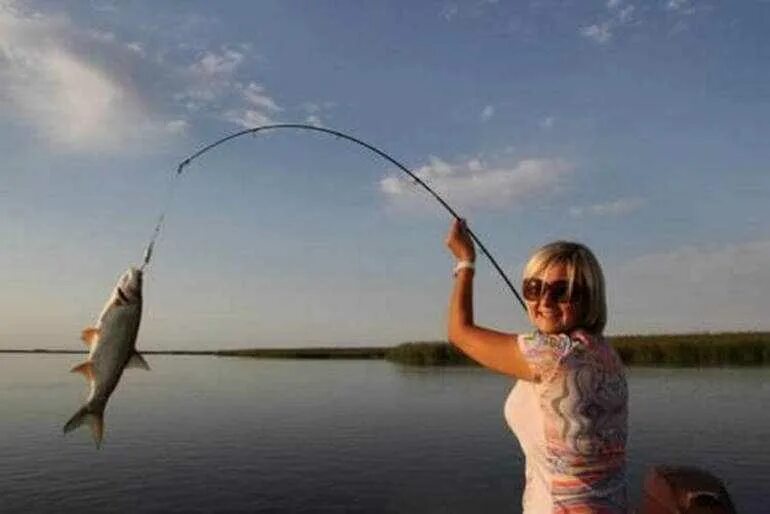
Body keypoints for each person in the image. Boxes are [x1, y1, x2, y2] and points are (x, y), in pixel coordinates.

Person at [445, 219, 628, 513]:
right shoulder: (603, 351)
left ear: (589, 297)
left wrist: (465, 261)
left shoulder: (555, 355)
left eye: (561, 292)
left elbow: (459, 333)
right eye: (533, 288)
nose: (544, 300)